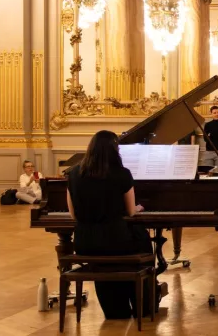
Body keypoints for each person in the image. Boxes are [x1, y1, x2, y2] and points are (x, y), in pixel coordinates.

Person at [66, 130, 163, 319]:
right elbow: (130, 211)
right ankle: (143, 305)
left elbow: (73, 214)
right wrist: (138, 208)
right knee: (143, 242)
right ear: (114, 150)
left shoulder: (75, 173)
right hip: (116, 240)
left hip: (85, 243)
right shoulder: (121, 174)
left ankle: (114, 310)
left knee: (105, 257)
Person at [200, 104, 218, 173]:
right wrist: (213, 135)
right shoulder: (207, 125)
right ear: (211, 114)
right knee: (207, 173)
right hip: (208, 152)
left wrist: (211, 135)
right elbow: (205, 139)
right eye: (214, 113)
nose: (216, 114)